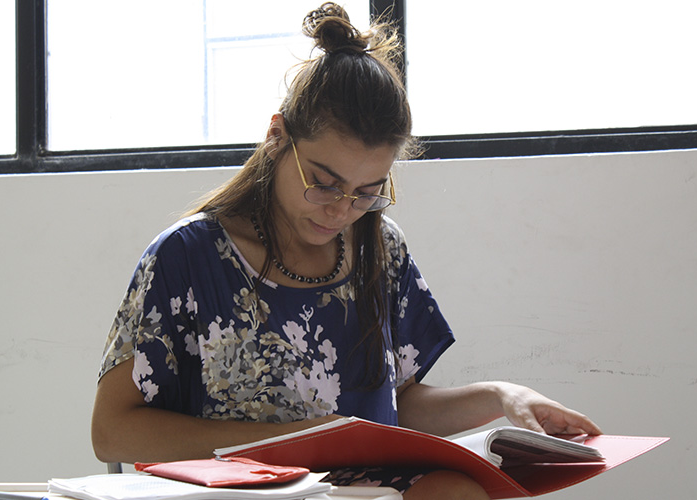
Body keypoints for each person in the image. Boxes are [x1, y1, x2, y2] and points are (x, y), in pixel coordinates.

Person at [91, 3, 601, 499]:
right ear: (276, 137)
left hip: (361, 492)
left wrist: (502, 396)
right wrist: (289, 443)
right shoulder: (188, 256)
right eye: (324, 182)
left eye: (367, 192)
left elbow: (399, 405)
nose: (341, 209)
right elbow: (112, 432)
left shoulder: (381, 247)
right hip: (248, 492)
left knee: (455, 490)